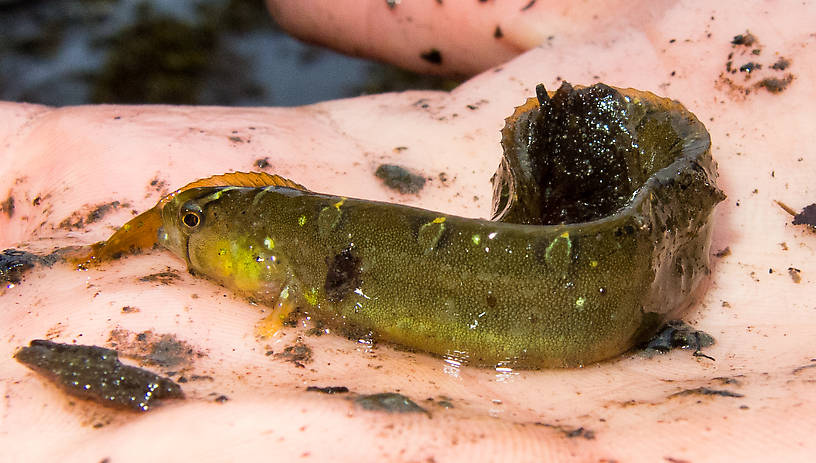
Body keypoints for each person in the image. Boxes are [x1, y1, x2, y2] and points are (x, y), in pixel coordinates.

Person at [2, 0, 814, 460]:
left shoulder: (291, 262)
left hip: (614, 284)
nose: (176, 230)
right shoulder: (290, 256)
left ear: (263, 252)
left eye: (188, 222)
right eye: (185, 217)